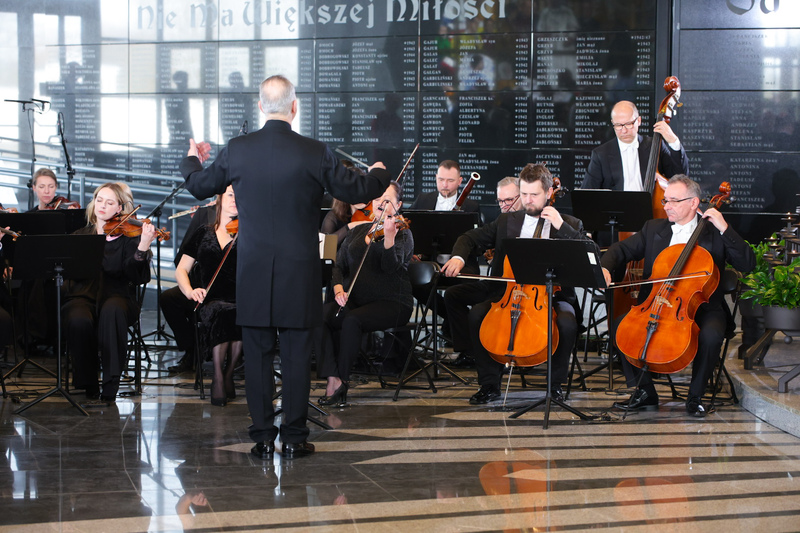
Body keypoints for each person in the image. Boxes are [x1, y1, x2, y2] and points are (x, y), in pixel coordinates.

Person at [180, 75, 391, 460]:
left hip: (254, 272)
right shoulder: (314, 151)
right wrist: (378, 172)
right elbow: (359, 190)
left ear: (260, 107)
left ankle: (261, 437)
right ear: (294, 107)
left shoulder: (238, 150)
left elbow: (197, 184)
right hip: (299, 272)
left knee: (258, 356)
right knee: (296, 356)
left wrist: (193, 154)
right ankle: (293, 438)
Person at [600, 175, 755, 417]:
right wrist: (606, 267)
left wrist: (725, 227)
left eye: (674, 200)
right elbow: (622, 249)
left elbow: (748, 263)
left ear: (694, 203)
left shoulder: (715, 233)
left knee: (712, 335)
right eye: (665, 200)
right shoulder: (653, 228)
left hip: (701, 307)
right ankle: (644, 393)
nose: (667, 206)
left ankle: (695, 397)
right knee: (621, 327)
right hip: (656, 303)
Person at [442, 163, 585, 404]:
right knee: (478, 315)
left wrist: (562, 227)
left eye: (535, 195)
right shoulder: (507, 221)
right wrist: (458, 256)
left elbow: (586, 256)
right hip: (507, 294)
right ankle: (489, 385)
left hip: (552, 298)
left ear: (549, 193)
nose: (528, 200)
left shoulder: (570, 223)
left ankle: (555, 386)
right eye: (525, 194)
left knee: (567, 323)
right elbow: (469, 237)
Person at [317, 182, 413, 405]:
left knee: (351, 321)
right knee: (320, 317)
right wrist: (338, 287)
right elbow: (337, 264)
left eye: (387, 200)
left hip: (392, 302)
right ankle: (332, 377)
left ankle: (343, 378)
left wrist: (388, 239)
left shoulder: (403, 233)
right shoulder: (359, 228)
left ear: (398, 205)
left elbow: (391, 268)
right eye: (378, 198)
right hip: (358, 300)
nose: (381, 203)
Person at [63, 182, 155, 404]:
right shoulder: (81, 234)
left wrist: (142, 246)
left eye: (110, 202)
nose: (102, 205)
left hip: (119, 297)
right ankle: (88, 382)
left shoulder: (130, 237)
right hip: (84, 295)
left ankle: (111, 382)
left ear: (120, 208)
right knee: (77, 317)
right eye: (99, 200)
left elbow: (138, 277)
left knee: (111, 311)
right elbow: (69, 273)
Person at [175, 185, 241, 406]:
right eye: (231, 195)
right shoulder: (204, 232)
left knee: (237, 311)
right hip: (210, 298)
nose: (235, 200)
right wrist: (190, 290)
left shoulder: (249, 233)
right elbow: (182, 269)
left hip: (241, 297)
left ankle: (228, 373)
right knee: (221, 312)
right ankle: (219, 377)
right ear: (219, 198)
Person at [581, 100, 688, 191]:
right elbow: (588, 191)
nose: (624, 130)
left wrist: (673, 141)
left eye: (629, 124)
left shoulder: (654, 146)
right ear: (613, 123)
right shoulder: (601, 154)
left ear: (639, 121)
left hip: (652, 212)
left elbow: (680, 177)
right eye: (618, 125)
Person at [161, 203, 216, 373]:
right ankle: (192, 349)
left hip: (236, 290)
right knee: (169, 298)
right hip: (203, 285)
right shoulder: (206, 214)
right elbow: (183, 258)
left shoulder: (254, 213)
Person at [409, 160, 480, 213]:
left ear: (459, 181)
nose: (445, 185)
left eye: (450, 180)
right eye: (441, 179)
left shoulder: (472, 207)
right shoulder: (422, 200)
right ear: (436, 178)